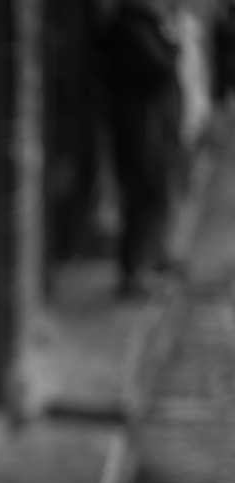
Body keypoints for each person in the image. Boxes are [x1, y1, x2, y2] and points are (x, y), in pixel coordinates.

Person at [98, 0, 184, 297]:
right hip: (139, 131)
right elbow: (160, 64)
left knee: (150, 196)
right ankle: (133, 272)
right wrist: (172, 43)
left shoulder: (138, 26)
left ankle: (144, 265)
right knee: (142, 197)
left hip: (146, 129)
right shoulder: (132, 28)